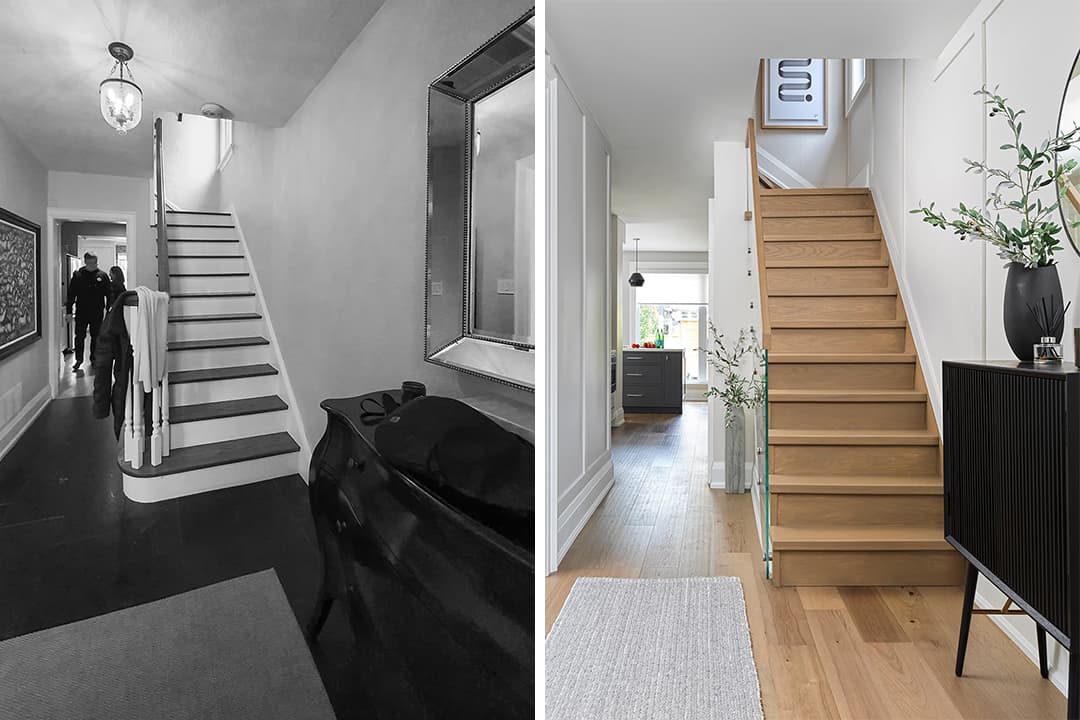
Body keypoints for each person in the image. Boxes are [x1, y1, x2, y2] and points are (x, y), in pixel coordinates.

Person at [64, 252, 110, 372]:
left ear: (97, 262)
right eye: (90, 263)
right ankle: (79, 359)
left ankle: (94, 359)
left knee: (96, 336)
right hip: (82, 312)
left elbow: (109, 294)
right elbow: (71, 294)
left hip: (97, 312)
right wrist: (69, 311)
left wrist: (109, 310)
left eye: (94, 263)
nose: (92, 265)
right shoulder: (78, 275)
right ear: (85, 262)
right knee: (79, 336)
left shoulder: (102, 276)